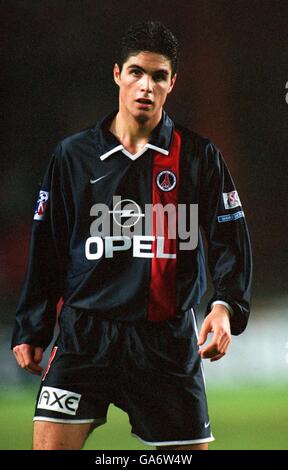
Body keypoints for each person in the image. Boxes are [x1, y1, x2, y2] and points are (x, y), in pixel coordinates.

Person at [11, 20, 252, 450]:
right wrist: (33, 324)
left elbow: (229, 238)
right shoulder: (73, 156)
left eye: (159, 76)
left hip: (165, 340)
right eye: (137, 72)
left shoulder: (197, 156)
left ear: (172, 83)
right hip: (86, 336)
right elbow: (47, 245)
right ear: (118, 74)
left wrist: (226, 306)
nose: (147, 86)